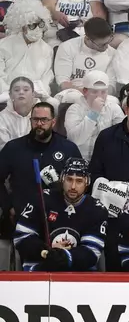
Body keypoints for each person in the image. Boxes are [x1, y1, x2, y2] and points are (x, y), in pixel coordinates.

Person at [0, 102, 82, 270]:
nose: (39, 124)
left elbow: (81, 182)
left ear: (53, 121)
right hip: (23, 218)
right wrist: (9, 206)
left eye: (44, 120)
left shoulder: (68, 148)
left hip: (60, 219)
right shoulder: (14, 148)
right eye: (35, 119)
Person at [13, 158, 108, 271]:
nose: (73, 186)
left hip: (79, 274)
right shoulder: (42, 199)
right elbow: (21, 237)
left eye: (79, 181)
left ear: (87, 182)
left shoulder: (96, 209)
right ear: (62, 179)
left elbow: (92, 251)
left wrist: (65, 256)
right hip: (39, 270)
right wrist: (46, 252)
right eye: (69, 179)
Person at [0, 0, 54, 104]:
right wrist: (11, 93)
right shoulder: (3, 45)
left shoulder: (47, 50)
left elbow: (47, 78)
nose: (38, 29)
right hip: (6, 96)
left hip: (35, 96)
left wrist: (35, 93)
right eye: (32, 26)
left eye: (40, 24)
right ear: (22, 26)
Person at [53, 18, 116, 104]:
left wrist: (95, 94)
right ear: (87, 39)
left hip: (101, 93)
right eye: (102, 45)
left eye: (108, 41)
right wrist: (86, 92)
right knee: (74, 97)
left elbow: (111, 86)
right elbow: (63, 83)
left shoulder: (113, 53)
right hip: (73, 91)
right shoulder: (67, 47)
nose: (106, 47)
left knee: (113, 102)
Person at [64, 71, 125, 159]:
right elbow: (75, 139)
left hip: (106, 160)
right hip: (79, 159)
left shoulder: (114, 108)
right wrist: (93, 113)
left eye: (103, 92)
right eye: (95, 92)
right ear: (85, 91)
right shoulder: (74, 109)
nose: (99, 96)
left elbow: (122, 137)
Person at [0, 77, 58, 150]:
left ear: (33, 94)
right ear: (10, 95)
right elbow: (4, 148)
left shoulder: (45, 113)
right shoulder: (2, 118)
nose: (21, 92)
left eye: (26, 90)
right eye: (16, 90)